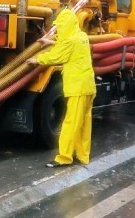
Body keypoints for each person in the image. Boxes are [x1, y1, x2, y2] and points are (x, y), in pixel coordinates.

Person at [26, 9, 96, 168]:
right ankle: (82, 155)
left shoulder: (71, 42)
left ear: (68, 26)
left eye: (61, 27)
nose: (60, 29)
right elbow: (67, 43)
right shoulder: (82, 37)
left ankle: (64, 157)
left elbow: (56, 57)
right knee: (84, 123)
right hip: (88, 86)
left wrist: (36, 60)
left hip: (78, 87)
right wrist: (52, 41)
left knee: (71, 122)